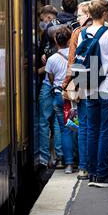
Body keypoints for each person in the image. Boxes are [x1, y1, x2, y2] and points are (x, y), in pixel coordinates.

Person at [81, 0, 108, 188]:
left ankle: (91, 172)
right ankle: (102, 173)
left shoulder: (83, 33)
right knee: (106, 131)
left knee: (92, 130)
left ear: (90, 14)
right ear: (105, 14)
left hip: (90, 87)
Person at [62, 1, 93, 180]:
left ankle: (83, 167)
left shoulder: (78, 33)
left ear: (88, 15)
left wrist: (66, 85)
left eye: (80, 15)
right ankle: (96, 166)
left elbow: (73, 62)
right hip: (103, 84)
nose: (78, 18)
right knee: (97, 127)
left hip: (83, 81)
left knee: (84, 127)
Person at [37, 25, 72, 170]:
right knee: (61, 125)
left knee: (44, 122)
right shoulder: (73, 55)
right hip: (67, 92)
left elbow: (50, 78)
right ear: (69, 40)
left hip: (52, 89)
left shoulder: (51, 59)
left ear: (56, 41)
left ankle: (43, 157)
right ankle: (60, 157)